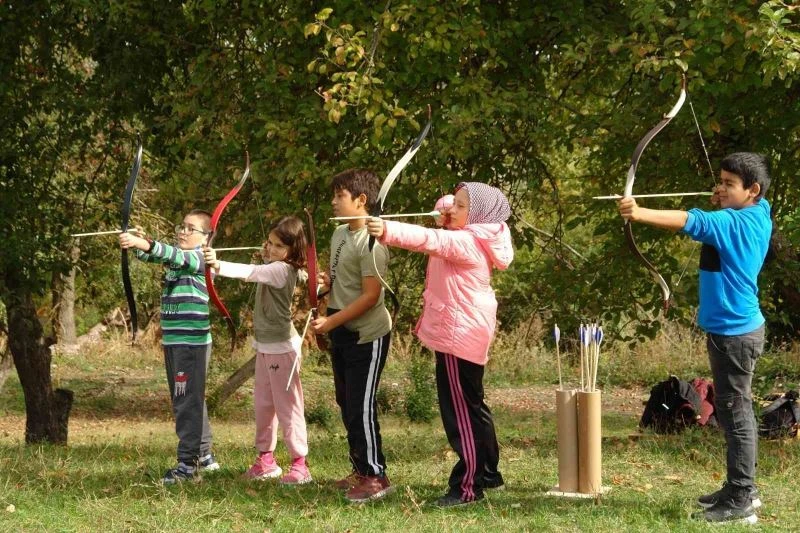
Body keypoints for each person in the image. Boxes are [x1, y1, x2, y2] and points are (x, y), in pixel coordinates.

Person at [618, 152, 772, 525]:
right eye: (718, 181)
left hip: (735, 335)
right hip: (734, 331)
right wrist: (727, 199)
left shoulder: (734, 224)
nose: (719, 188)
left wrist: (638, 214)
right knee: (735, 410)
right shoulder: (758, 211)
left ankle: (742, 497)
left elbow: (692, 220)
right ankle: (739, 488)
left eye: (728, 184)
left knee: (735, 414)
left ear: (752, 190)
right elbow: (714, 217)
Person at [366, 182, 514, 507]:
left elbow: (429, 239)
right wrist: (451, 207)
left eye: (462, 207)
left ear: (476, 214)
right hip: (466, 330)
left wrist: (386, 229)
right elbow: (449, 213)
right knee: (473, 406)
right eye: (454, 204)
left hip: (457, 335)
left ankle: (467, 487)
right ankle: (489, 474)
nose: (452, 210)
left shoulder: (465, 242)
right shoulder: (483, 234)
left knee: (460, 413)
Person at [203, 216, 312, 485]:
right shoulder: (280, 266)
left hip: (282, 349)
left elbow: (250, 272)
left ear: (292, 251)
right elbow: (267, 268)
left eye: (278, 246)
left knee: (288, 407)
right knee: (264, 405)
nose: (271, 249)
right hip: (265, 347)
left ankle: (300, 464)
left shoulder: (280, 270)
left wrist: (217, 263)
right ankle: (266, 460)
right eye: (270, 243)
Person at [310, 168, 394, 503]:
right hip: (342, 330)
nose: (333, 201)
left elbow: (370, 297)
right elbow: (337, 281)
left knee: (360, 406)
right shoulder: (340, 234)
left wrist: (330, 324)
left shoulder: (372, 244)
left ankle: (376, 476)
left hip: (367, 335)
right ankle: (360, 469)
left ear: (361, 201)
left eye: (339, 196)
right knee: (347, 403)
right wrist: (324, 289)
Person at [119, 210, 220, 484]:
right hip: (175, 341)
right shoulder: (178, 258)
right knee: (190, 397)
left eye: (191, 229)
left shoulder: (198, 259)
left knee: (186, 401)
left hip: (190, 343)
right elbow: (159, 255)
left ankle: (188, 465)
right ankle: (204, 456)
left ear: (206, 238)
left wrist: (146, 244)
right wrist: (138, 243)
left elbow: (173, 255)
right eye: (182, 227)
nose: (182, 232)